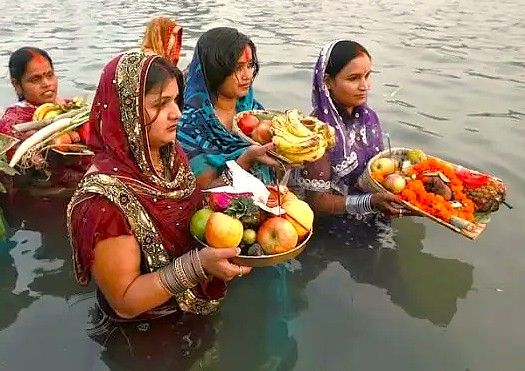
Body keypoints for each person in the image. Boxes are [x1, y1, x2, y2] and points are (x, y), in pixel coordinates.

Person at [67, 52, 253, 320]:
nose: (177, 113)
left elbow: (196, 209)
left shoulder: (168, 154)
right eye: (160, 104)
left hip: (191, 310)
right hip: (146, 334)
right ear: (127, 111)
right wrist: (198, 265)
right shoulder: (103, 202)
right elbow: (125, 302)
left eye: (176, 100)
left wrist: (247, 183)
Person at [292, 40, 411, 218]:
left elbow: (379, 172)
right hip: (333, 228)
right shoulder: (316, 132)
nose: (365, 86)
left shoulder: (369, 119)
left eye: (367, 76)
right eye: (353, 78)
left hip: (376, 214)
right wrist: (369, 202)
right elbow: (316, 201)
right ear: (327, 81)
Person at [177, 27, 278, 189]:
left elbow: (273, 173)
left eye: (250, 65)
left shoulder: (255, 111)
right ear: (214, 70)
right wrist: (245, 160)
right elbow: (204, 193)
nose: (247, 75)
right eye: (238, 68)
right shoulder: (190, 125)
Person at [0, 47, 89, 197]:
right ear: (17, 85)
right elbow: (20, 180)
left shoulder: (72, 109)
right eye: (35, 79)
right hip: (39, 205)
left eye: (50, 75)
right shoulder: (12, 124)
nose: (47, 83)